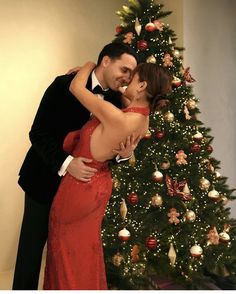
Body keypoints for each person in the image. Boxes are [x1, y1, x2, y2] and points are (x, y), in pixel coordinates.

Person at [13, 43, 138, 290]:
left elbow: (105, 148)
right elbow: (37, 133)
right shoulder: (63, 85)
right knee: (31, 253)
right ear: (105, 61)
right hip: (43, 181)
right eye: (124, 70)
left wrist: (124, 155)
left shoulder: (115, 101)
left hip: (79, 195)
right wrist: (67, 163)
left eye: (130, 75)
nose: (126, 78)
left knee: (66, 255)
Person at [43, 61, 172, 290]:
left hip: (79, 185)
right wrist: (127, 153)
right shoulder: (144, 119)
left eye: (131, 79)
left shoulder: (116, 116)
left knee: (64, 250)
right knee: (86, 249)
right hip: (101, 184)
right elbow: (128, 101)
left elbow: (76, 88)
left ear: (142, 85)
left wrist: (88, 65)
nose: (125, 82)